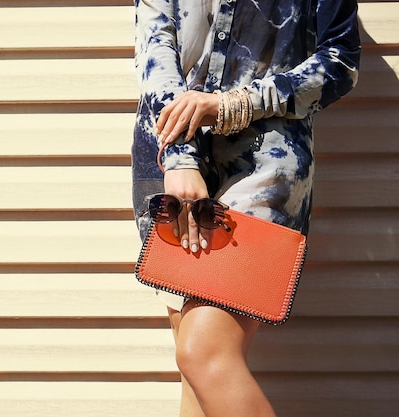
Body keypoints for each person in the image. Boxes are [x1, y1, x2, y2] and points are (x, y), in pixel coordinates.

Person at [132, 1, 361, 416]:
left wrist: (233, 105)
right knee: (195, 377)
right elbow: (155, 46)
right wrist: (181, 157)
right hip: (168, 162)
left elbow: (340, 63)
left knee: (203, 352)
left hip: (265, 165)